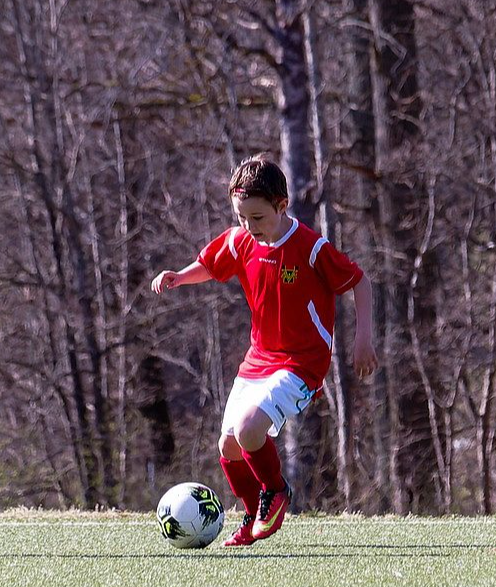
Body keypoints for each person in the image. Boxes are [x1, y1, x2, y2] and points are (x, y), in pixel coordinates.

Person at [151, 154, 377, 547]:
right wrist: (179, 277)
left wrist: (363, 339)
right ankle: (254, 516)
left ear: (281, 205)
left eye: (257, 217)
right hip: (258, 360)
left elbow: (360, 282)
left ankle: (277, 491)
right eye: (241, 217)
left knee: (249, 427)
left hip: (301, 363)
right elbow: (210, 263)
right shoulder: (241, 240)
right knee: (229, 446)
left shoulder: (309, 247)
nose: (248, 226)